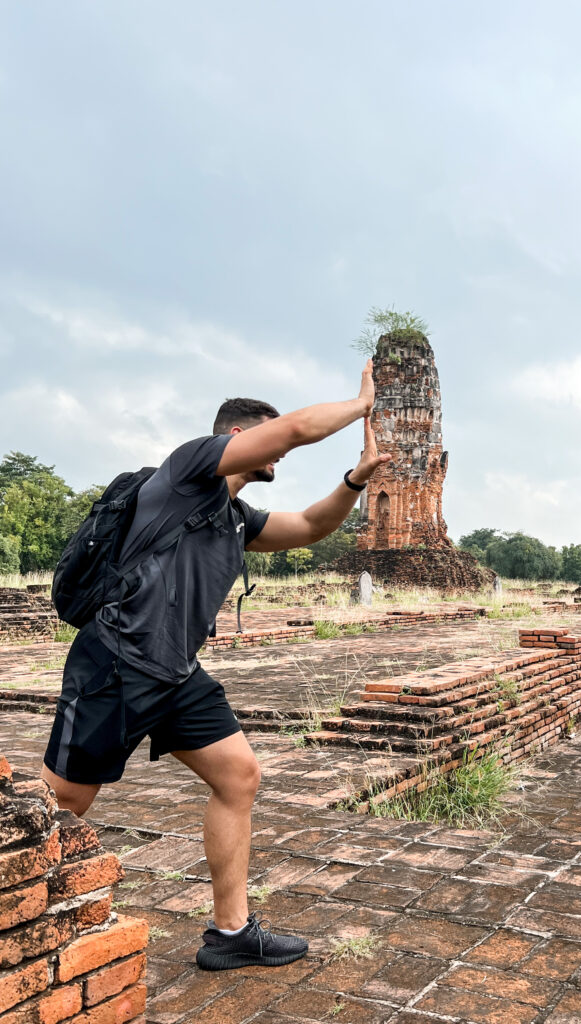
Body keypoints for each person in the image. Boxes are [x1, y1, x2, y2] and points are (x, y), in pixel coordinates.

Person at [41, 359, 390, 970]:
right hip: (116, 663)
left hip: (176, 674)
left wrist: (355, 481)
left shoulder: (235, 518)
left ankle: (230, 934)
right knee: (62, 801)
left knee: (238, 776)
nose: (279, 455)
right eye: (267, 439)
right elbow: (295, 430)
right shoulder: (186, 471)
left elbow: (309, 525)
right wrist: (361, 405)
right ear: (236, 439)